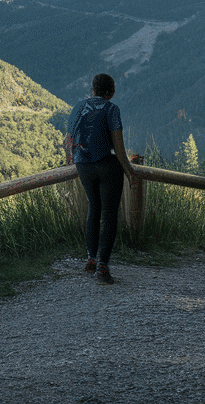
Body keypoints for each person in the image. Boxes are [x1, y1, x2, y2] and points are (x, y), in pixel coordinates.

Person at [65, 73, 137, 284]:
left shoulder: (78, 107)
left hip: (83, 165)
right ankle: (103, 266)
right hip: (106, 165)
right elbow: (118, 147)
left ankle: (91, 260)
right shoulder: (111, 109)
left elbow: (67, 141)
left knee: (93, 208)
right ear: (111, 92)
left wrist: (73, 163)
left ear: (92, 90)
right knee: (109, 213)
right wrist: (130, 172)